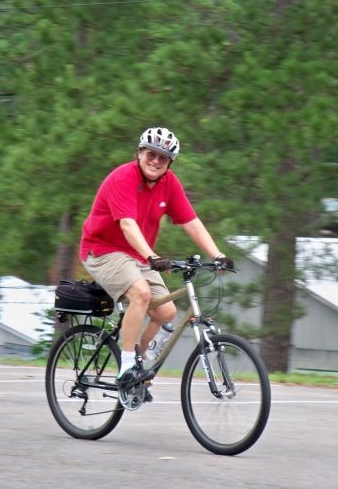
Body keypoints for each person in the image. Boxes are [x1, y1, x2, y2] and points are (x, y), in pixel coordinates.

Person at [79, 127, 233, 397]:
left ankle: (138, 363)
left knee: (166, 312)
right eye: (151, 154)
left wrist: (216, 254)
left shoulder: (169, 183)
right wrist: (151, 256)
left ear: (169, 163)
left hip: (137, 255)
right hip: (102, 250)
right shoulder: (123, 177)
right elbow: (127, 224)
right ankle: (126, 368)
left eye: (163, 158)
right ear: (139, 153)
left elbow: (191, 222)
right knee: (141, 293)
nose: (156, 161)